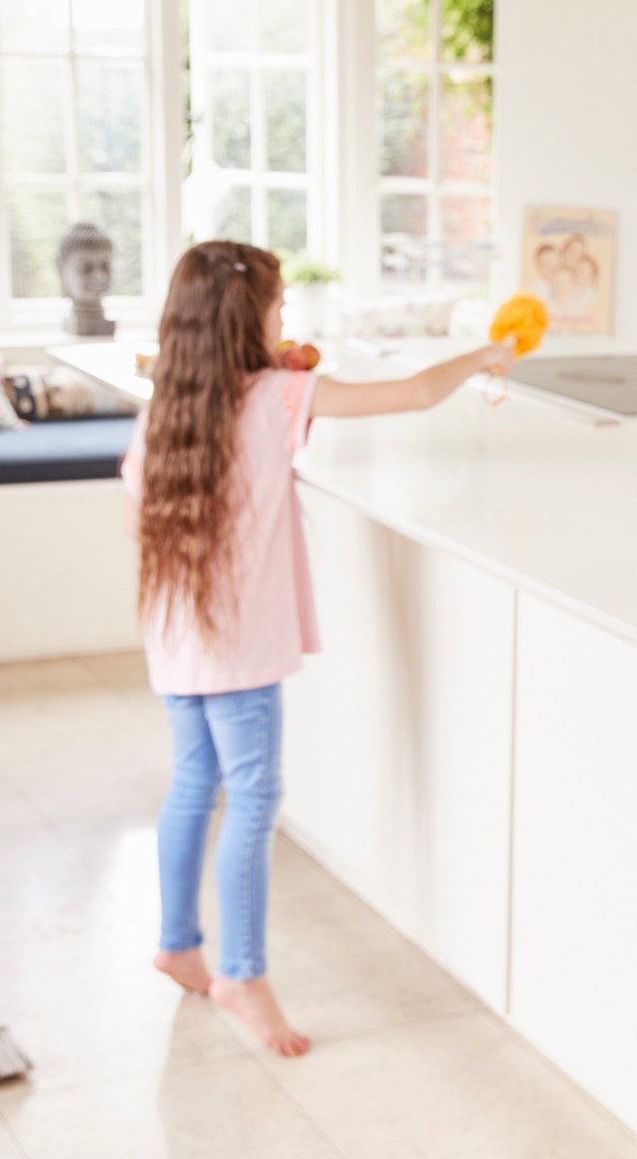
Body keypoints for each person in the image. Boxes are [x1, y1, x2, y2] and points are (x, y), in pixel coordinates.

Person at [122, 241, 517, 1056]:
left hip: (176, 634)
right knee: (255, 798)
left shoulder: (168, 402)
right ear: (250, 321)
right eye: (278, 310)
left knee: (195, 780)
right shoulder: (276, 397)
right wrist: (485, 353)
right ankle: (241, 973)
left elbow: (134, 509)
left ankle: (177, 941)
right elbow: (410, 393)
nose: (285, 323)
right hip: (239, 647)